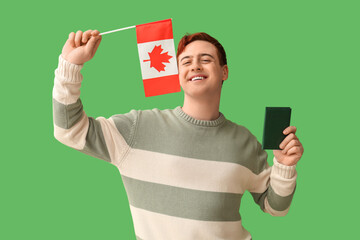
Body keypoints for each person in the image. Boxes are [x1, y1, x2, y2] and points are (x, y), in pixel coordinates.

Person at [52, 29, 304, 240]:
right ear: (178, 76)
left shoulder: (245, 142)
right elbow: (70, 130)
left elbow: (275, 207)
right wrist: (70, 65)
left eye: (206, 59)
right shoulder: (137, 128)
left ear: (224, 72)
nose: (195, 65)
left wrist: (284, 166)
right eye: (186, 61)